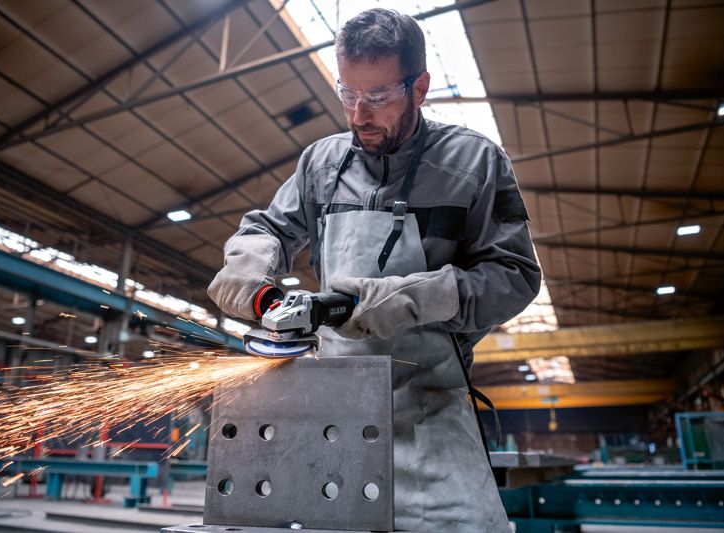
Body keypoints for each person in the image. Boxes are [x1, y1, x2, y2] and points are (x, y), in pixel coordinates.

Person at [208, 8, 541, 532]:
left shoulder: (473, 163)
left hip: (431, 410)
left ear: (420, 86)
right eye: (348, 93)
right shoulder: (320, 164)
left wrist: (404, 300)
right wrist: (258, 289)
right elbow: (265, 230)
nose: (359, 113)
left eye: (379, 97)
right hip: (334, 415)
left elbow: (516, 276)